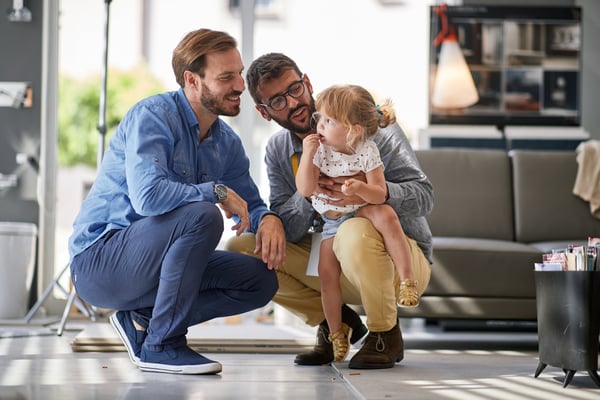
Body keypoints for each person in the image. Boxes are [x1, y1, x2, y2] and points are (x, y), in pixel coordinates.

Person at [67, 29, 285, 375]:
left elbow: (251, 203)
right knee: (203, 215)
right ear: (192, 80)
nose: (240, 86)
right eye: (226, 77)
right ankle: (161, 345)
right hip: (100, 262)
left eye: (239, 74)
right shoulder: (153, 117)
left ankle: (144, 320)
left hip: (154, 268)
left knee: (260, 282)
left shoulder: (225, 143)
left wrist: (268, 218)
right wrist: (216, 192)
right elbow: (148, 197)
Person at [226, 53, 433, 369]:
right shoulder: (279, 150)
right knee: (243, 250)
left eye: (295, 89)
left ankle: (385, 334)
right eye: (278, 101)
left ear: (307, 83)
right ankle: (336, 323)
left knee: (355, 231)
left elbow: (424, 197)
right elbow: (290, 230)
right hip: (333, 252)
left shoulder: (368, 126)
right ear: (264, 112)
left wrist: (371, 190)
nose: (294, 102)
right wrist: (308, 193)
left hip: (398, 253)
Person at [295, 84, 420, 362]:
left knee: (386, 214)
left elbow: (378, 192)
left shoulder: (367, 151)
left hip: (362, 212)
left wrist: (358, 190)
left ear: (353, 130)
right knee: (327, 276)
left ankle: (407, 281)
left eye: (329, 120)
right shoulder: (319, 150)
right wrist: (306, 155)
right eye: (320, 118)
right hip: (331, 223)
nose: (320, 125)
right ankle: (336, 333)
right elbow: (305, 188)